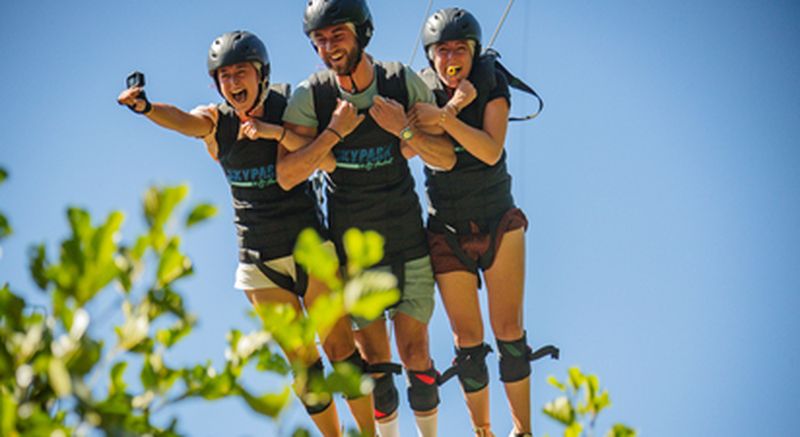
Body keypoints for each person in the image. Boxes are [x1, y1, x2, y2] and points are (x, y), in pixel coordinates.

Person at [117, 30, 375, 437]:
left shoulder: (289, 105)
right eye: (225, 76)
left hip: (310, 246)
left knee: (341, 351)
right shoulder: (217, 122)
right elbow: (185, 121)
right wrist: (147, 107)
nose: (234, 83)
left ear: (262, 74)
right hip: (259, 260)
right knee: (303, 363)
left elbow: (324, 158)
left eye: (242, 72)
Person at [278, 1, 456, 435]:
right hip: (353, 252)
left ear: (363, 33)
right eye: (319, 39)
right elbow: (287, 174)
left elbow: (445, 157)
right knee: (376, 366)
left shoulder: (399, 80)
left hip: (406, 240)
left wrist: (404, 130)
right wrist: (332, 135)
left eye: (337, 35)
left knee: (416, 355)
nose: (328, 46)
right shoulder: (313, 96)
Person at [409, 8, 557, 437]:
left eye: (460, 49)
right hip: (447, 227)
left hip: (497, 218)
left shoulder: (491, 80)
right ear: (431, 55)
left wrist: (449, 117)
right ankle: (483, 431)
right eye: (443, 50)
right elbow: (429, 147)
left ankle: (522, 430)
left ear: (474, 52)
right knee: (467, 343)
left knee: (509, 332)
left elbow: (490, 150)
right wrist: (445, 110)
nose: (451, 58)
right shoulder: (420, 90)